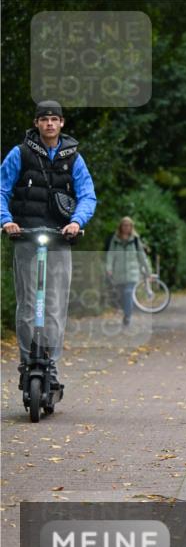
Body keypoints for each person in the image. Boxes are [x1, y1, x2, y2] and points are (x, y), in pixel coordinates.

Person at [1, 100, 98, 390]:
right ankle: (26, 362)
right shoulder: (20, 154)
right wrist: (6, 221)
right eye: (44, 120)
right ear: (36, 124)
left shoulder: (74, 158)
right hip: (26, 237)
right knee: (28, 305)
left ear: (62, 123)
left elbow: (87, 194)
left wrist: (77, 222)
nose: (50, 124)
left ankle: (50, 365)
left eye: (55, 119)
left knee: (55, 306)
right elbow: (2, 189)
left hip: (59, 238)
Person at [105, 216, 151, 327]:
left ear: (132, 227)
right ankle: (126, 312)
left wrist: (148, 271)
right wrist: (109, 268)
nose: (126, 227)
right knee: (121, 296)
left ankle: (127, 316)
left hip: (133, 273)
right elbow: (110, 254)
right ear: (121, 227)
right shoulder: (115, 240)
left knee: (128, 293)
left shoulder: (135, 240)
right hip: (119, 273)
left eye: (129, 225)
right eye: (124, 225)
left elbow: (142, 256)